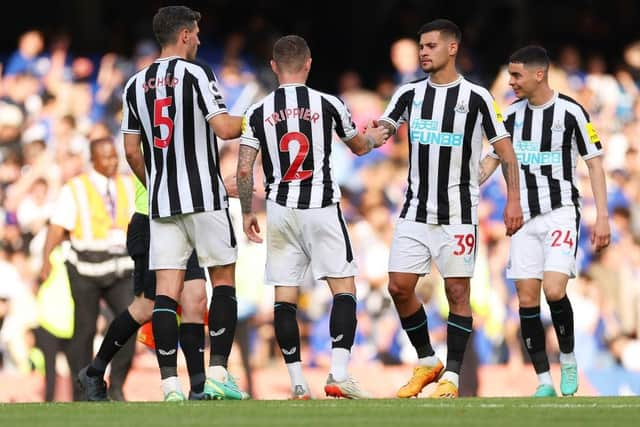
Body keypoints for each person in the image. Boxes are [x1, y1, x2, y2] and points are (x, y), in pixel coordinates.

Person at [377, 19, 523, 399]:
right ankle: (427, 359)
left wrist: (513, 200)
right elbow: (383, 129)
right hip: (414, 211)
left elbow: (505, 150)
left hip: (458, 214)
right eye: (420, 46)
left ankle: (453, 379)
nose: (423, 52)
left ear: (452, 48)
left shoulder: (476, 97)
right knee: (398, 286)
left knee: (458, 291)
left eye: (430, 46)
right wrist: (361, 138)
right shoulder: (409, 94)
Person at [237, 34, 388, 400]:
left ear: (274, 67)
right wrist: (376, 138)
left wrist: (245, 212)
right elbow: (358, 146)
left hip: (280, 208)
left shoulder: (256, 111)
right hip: (321, 206)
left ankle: (298, 383)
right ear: (308, 64)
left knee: (284, 297)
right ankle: (337, 373)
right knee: (344, 289)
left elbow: (244, 170)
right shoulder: (328, 103)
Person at [120, 5, 247, 401]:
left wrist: (157, 183)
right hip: (204, 197)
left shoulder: (134, 83)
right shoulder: (197, 73)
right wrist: (259, 116)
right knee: (222, 280)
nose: (200, 39)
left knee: (166, 294)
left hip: (162, 204)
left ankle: (170, 386)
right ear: (185, 36)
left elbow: (131, 150)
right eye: (196, 33)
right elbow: (225, 129)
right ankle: (219, 374)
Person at [478, 45, 611, 397]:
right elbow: (492, 160)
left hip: (560, 212)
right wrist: (463, 183)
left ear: (540, 74)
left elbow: (594, 163)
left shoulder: (570, 112)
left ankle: (567, 358)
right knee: (525, 299)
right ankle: (542, 381)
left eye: (517, 75)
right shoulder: (510, 115)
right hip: (522, 219)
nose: (511, 82)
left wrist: (603, 217)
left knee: (554, 289)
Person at [77, 174, 211, 401]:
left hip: (187, 217)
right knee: (146, 307)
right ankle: (94, 371)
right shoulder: (147, 136)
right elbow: (135, 156)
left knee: (196, 299)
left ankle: (198, 387)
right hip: (153, 218)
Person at [40, 136, 137, 401]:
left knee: (130, 322)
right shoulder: (75, 188)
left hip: (120, 267)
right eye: (105, 157)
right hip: (84, 268)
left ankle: (116, 385)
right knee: (84, 330)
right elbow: (58, 226)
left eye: (114, 156)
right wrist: (46, 258)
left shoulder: (128, 184)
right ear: (92, 160)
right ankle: (85, 391)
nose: (112, 162)